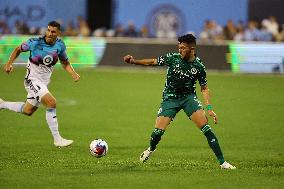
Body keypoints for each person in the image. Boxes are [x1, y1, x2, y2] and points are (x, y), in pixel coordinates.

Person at [123, 34, 236, 169]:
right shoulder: (173, 58)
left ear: (191, 48)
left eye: (183, 48)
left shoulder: (199, 66)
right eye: (179, 47)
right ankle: (150, 149)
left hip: (188, 98)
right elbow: (153, 62)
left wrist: (209, 108)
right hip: (170, 98)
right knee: (158, 132)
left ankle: (223, 162)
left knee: (206, 128)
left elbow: (204, 88)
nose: (180, 50)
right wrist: (134, 61)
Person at [0, 21, 80, 147]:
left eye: (53, 31)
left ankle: (2, 104)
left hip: (43, 83)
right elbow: (18, 49)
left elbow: (65, 62)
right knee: (51, 102)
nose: (49, 33)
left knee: (28, 111)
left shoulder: (60, 45)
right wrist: (9, 63)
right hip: (32, 80)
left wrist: (73, 73)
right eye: (48, 30)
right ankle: (57, 139)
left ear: (58, 33)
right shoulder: (35, 42)